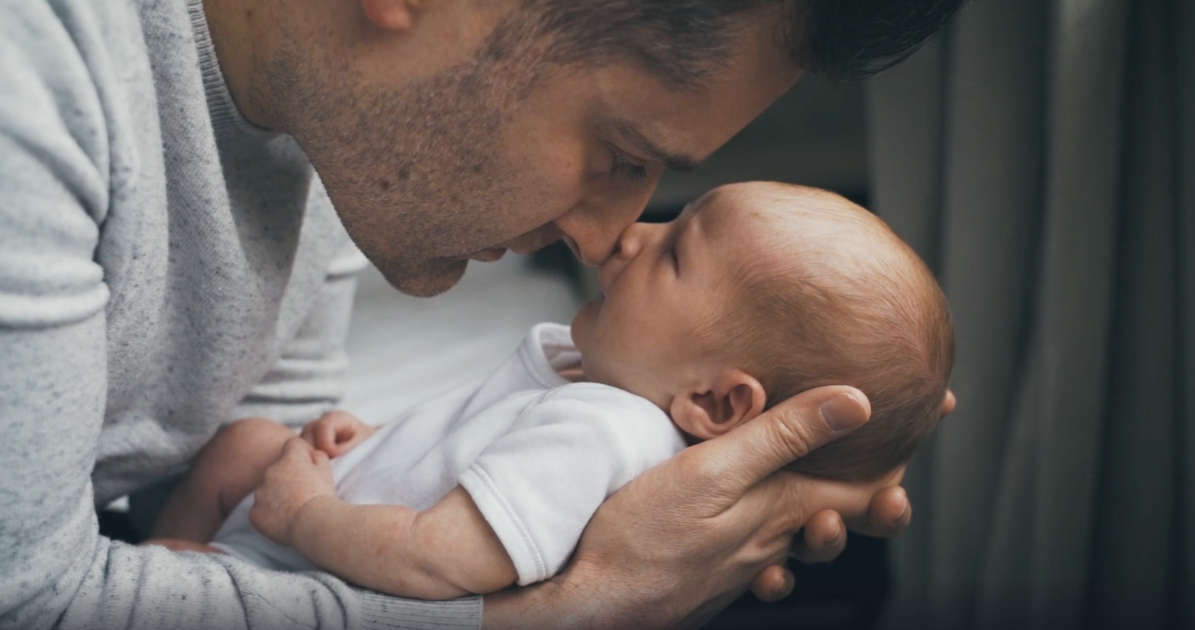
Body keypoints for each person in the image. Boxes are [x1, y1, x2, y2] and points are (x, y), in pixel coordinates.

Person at [0, 0, 964, 628]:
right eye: (622, 152)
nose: (603, 241)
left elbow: (265, 479)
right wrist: (568, 613)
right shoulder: (31, 84)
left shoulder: (327, 126)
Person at [145, 182, 956, 601]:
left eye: (674, 255)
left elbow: (438, 562)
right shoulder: (594, 378)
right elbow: (461, 443)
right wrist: (374, 436)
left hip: (307, 569)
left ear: (716, 405)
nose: (635, 234)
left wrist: (305, 514)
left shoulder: (604, 432)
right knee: (245, 445)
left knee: (180, 567)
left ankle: (167, 565)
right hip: (337, 510)